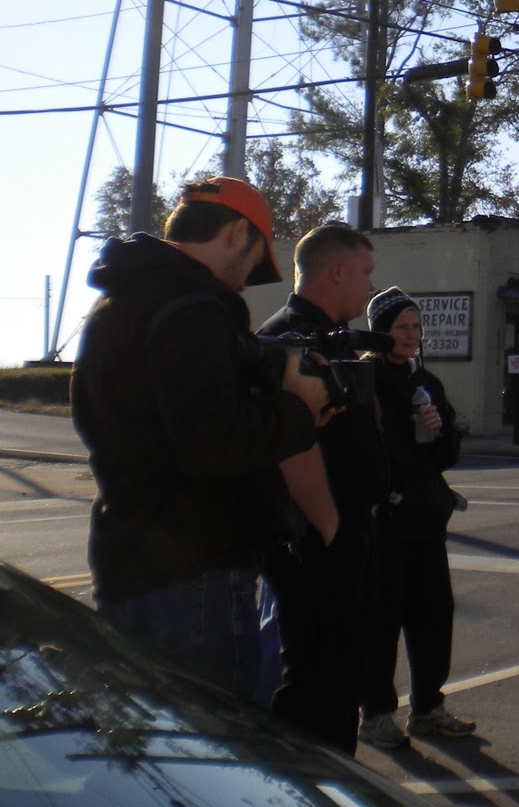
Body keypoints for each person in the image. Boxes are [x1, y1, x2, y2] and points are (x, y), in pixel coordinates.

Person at [71, 176, 334, 697]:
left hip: (129, 562)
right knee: (215, 735)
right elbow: (214, 442)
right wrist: (297, 409)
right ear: (237, 233)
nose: (246, 282)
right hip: (194, 573)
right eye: (253, 260)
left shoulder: (120, 302)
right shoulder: (193, 306)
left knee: (152, 738)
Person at [258, 223, 386, 754]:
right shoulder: (288, 342)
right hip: (314, 544)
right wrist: (333, 530)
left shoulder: (331, 339)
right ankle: (314, 783)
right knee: (316, 689)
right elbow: (289, 448)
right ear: (336, 271)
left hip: (344, 535)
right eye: (365, 273)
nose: (371, 286)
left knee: (341, 682)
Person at [357, 286, 476, 749]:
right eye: (400, 327)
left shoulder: (426, 381)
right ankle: (376, 715)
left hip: (426, 522)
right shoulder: (367, 379)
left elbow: (447, 453)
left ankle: (427, 708)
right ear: (380, 331)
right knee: (381, 622)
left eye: (415, 326)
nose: (410, 335)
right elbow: (363, 449)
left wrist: (439, 433)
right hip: (386, 525)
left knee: (433, 617)